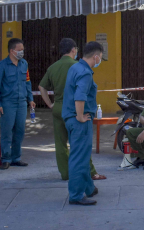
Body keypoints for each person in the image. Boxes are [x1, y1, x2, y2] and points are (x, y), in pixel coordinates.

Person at [38, 39, 106, 181]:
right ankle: (90, 172)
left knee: (60, 143)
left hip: (58, 108)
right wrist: (80, 115)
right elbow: (80, 94)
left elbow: (41, 87)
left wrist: (50, 104)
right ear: (73, 50)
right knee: (80, 144)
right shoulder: (79, 67)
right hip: (75, 109)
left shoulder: (53, 67)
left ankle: (65, 173)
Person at [62, 41, 104, 205]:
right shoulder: (85, 73)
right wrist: (80, 116)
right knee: (79, 158)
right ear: (95, 56)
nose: (99, 60)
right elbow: (80, 96)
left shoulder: (75, 67)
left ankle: (88, 187)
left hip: (70, 118)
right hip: (79, 120)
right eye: (100, 57)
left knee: (83, 156)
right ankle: (76, 195)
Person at [0, 38, 35, 170]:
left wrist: (30, 98)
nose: (22, 52)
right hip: (7, 103)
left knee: (20, 131)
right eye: (19, 50)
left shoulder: (24, 64)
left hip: (21, 103)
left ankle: (16, 158)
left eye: (23, 50)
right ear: (12, 51)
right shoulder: (1, 66)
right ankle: (5, 158)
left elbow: (27, 82)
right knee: (6, 132)